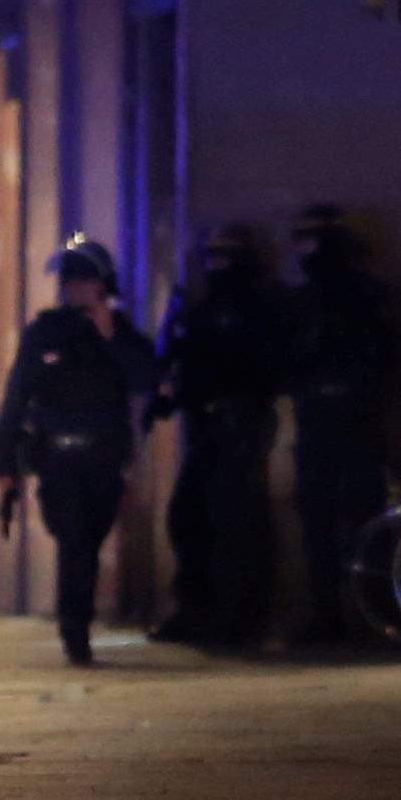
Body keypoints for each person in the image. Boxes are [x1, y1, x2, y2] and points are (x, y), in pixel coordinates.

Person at [0, 235, 159, 665]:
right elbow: (15, 400)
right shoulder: (46, 331)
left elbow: (145, 380)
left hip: (103, 461)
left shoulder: (119, 333)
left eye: (83, 278)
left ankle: (77, 623)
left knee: (89, 541)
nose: (73, 287)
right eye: (68, 279)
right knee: (75, 543)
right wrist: (4, 466)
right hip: (58, 462)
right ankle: (75, 630)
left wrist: (109, 331)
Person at [145, 224, 288, 646]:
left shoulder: (255, 305)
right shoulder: (202, 307)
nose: (216, 265)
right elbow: (184, 361)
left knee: (235, 524)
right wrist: (168, 397)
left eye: (224, 257)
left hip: (239, 423)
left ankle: (238, 619)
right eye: (211, 257)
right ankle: (198, 611)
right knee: (189, 519)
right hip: (205, 423)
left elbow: (254, 365)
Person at [284, 206, 399, 643]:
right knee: (320, 524)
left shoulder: (364, 296)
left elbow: (385, 358)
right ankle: (332, 617)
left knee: (361, 523)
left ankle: (367, 616)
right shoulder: (308, 300)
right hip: (322, 423)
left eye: (310, 241)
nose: (304, 251)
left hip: (354, 424)